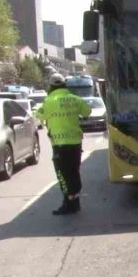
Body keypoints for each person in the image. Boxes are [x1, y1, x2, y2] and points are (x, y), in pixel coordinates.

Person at [35, 73, 91, 215]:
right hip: (76, 143)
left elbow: (39, 115)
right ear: (65, 84)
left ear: (51, 85)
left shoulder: (49, 101)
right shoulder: (75, 99)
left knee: (63, 174)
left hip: (60, 144)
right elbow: (87, 112)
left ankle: (68, 203)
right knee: (74, 172)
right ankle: (75, 202)